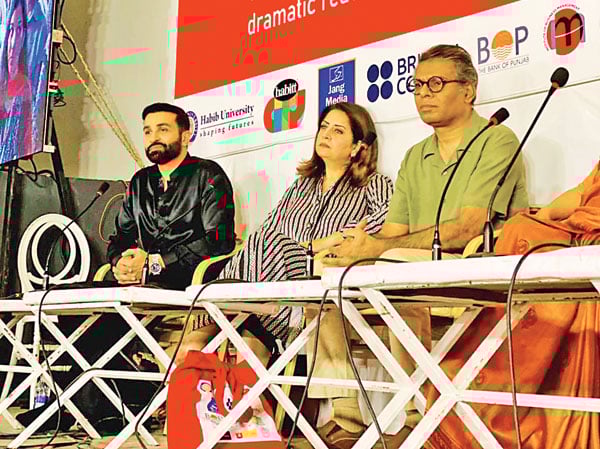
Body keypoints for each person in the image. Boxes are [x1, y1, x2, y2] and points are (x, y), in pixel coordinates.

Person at [311, 44, 529, 449]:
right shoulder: (415, 155)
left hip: (478, 272)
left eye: (436, 83)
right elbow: (394, 231)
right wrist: (362, 247)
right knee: (327, 276)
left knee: (395, 265)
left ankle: (421, 419)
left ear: (468, 90)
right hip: (414, 268)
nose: (424, 93)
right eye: (417, 85)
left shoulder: (497, 139)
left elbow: (468, 228)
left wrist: (381, 249)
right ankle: (345, 418)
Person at [175, 102, 394, 367]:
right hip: (274, 276)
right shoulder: (301, 186)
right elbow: (269, 231)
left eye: (337, 131)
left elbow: (386, 224)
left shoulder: (374, 183)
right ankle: (247, 351)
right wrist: (313, 244)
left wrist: (330, 244)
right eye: (324, 127)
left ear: (358, 146)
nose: (325, 135)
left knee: (269, 244)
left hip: (322, 275)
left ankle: (207, 326)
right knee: (262, 241)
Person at [424, 161, 600, 449]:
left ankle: (503, 398)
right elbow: (583, 193)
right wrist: (544, 218)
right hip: (580, 236)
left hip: (592, 247)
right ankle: (481, 377)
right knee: (522, 227)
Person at [107, 102, 236, 290]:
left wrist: (157, 262)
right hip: (141, 286)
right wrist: (120, 262)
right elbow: (120, 238)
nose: (153, 138)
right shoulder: (139, 181)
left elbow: (219, 241)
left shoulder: (208, 174)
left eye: (163, 130)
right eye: (148, 132)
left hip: (190, 286)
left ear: (184, 137)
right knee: (73, 295)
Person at [0, 0, 33, 163]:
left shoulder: (24, 86)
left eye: (19, 29)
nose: (13, 42)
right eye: (10, 29)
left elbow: (25, 146)